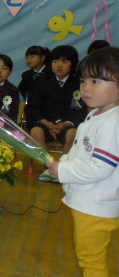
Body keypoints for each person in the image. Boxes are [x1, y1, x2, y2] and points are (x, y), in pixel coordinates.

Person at [47, 47, 119, 277]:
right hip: (90, 201)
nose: (86, 88)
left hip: (96, 204)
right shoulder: (99, 114)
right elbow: (84, 155)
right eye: (84, 81)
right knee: (92, 257)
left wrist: (62, 170)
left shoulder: (112, 123)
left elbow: (100, 168)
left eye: (97, 81)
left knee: (91, 259)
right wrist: (64, 162)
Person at [30, 45, 87, 181]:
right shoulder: (44, 80)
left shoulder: (78, 83)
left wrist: (66, 123)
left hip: (68, 124)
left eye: (64, 61)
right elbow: (34, 106)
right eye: (55, 61)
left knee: (74, 133)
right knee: (35, 132)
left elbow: (82, 109)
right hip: (47, 123)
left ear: (72, 64)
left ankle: (62, 168)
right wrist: (45, 122)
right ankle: (49, 167)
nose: (59, 65)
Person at [18, 45, 52, 127]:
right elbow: (22, 88)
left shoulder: (50, 72)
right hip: (32, 109)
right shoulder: (26, 75)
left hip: (48, 108)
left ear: (42, 58)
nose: (29, 60)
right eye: (27, 58)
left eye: (32, 57)